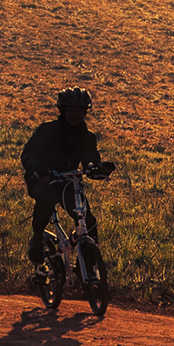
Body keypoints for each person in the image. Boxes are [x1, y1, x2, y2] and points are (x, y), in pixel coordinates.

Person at [21, 87, 117, 273]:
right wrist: (38, 169)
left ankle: (90, 268)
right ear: (63, 111)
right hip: (42, 179)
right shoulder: (47, 131)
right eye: (71, 111)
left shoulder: (86, 137)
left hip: (68, 182)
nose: (75, 115)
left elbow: (90, 159)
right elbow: (28, 153)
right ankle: (37, 237)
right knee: (46, 198)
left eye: (79, 111)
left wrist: (98, 168)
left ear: (85, 112)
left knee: (89, 221)